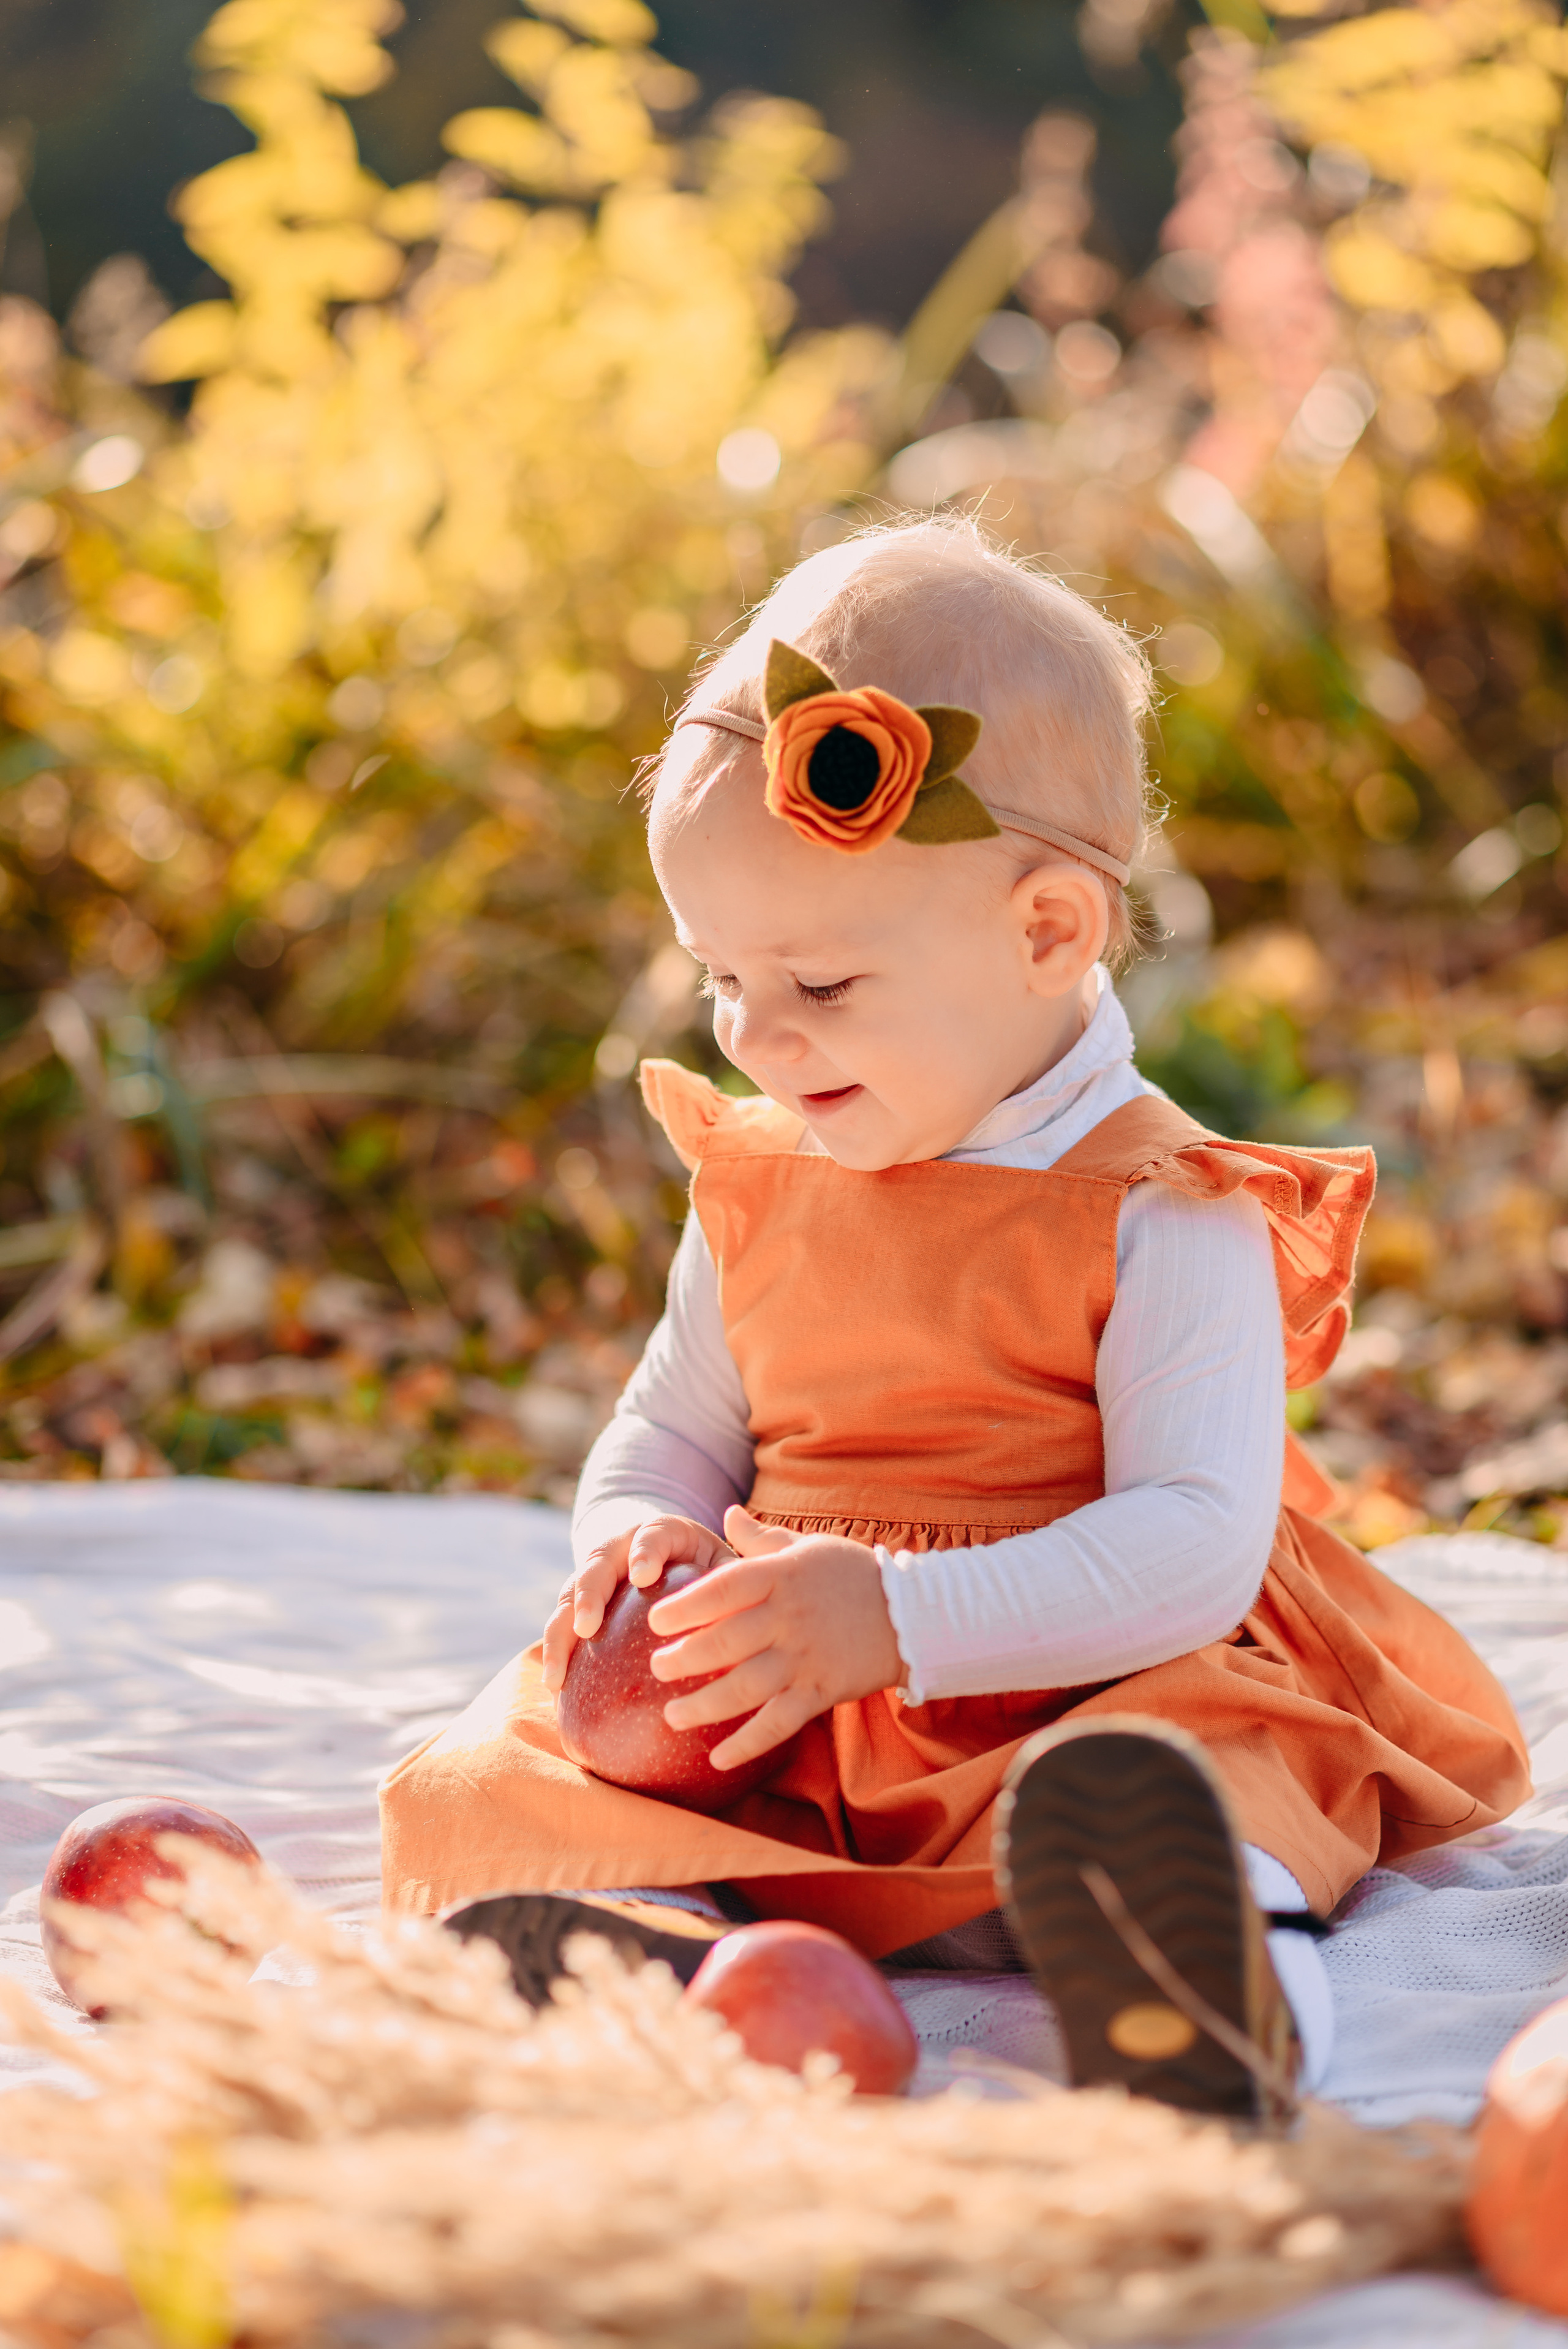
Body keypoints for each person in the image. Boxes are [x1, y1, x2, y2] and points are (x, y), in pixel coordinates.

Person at [382, 518, 1529, 2115]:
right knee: (483, 1764)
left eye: (820, 987)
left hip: (1086, 1687)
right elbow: (670, 1426)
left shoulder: (1160, 1205)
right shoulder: (763, 1180)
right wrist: (643, 1543)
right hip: (797, 1712)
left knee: (1214, 1762)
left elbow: (1196, 1540)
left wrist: (905, 1619)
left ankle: (1197, 1979)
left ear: (1048, 932)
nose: (755, 1040)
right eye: (720, 980)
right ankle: (651, 1934)